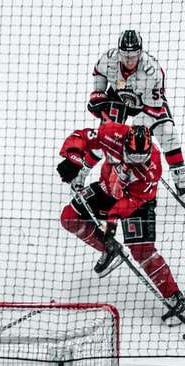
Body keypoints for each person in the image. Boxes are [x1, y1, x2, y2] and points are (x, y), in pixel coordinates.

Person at [57, 121, 185, 324]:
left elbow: (133, 200)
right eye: (131, 157)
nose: (134, 163)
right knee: (69, 217)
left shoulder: (153, 168)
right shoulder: (112, 133)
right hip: (107, 188)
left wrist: (112, 220)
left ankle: (175, 297)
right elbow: (82, 137)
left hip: (137, 202)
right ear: (125, 142)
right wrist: (73, 158)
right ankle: (108, 249)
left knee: (141, 250)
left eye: (139, 160)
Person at [87, 30, 185, 195]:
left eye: (133, 56)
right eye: (125, 55)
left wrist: (135, 132)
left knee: (168, 134)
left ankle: (181, 180)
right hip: (118, 99)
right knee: (106, 136)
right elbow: (99, 72)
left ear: (140, 52)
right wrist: (98, 93)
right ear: (119, 52)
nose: (129, 60)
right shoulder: (109, 59)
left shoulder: (152, 71)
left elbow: (153, 107)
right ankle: (85, 170)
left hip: (147, 106)